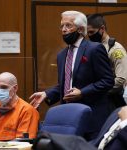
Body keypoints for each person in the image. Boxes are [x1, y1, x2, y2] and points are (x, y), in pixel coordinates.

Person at [30, 10, 114, 140]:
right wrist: (46, 94)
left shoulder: (94, 49)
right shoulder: (62, 55)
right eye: (62, 26)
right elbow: (64, 85)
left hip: (91, 118)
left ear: (80, 29)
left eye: (68, 25)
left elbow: (108, 80)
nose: (63, 30)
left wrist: (82, 92)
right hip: (69, 121)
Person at [0, 72, 39, 141]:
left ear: (15, 88)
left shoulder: (27, 110)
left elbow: (23, 142)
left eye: (4, 87)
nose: (0, 91)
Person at [87, 13, 127, 109]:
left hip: (111, 101)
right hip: (92, 100)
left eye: (92, 32)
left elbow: (121, 79)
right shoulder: (90, 48)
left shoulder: (116, 50)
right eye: (87, 33)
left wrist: (97, 90)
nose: (89, 36)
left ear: (102, 29)